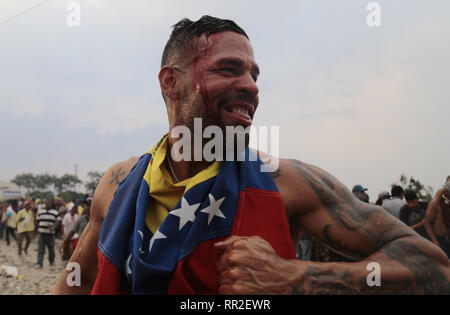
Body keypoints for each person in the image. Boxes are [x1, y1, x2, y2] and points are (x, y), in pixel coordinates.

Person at [53, 16, 450, 295]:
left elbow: (434, 267)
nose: (251, 86)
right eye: (229, 69)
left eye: (254, 75)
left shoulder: (287, 183)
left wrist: (292, 277)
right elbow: (81, 280)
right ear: (171, 82)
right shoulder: (118, 184)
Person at [424, 182, 450, 258]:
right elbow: (427, 223)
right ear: (446, 192)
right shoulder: (435, 203)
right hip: (440, 240)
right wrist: (435, 241)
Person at [36, 200, 59, 268]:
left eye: (49, 204)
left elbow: (58, 221)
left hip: (50, 234)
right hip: (41, 233)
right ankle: (39, 263)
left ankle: (51, 262)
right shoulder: (40, 212)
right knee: (41, 249)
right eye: (46, 204)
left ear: (51, 205)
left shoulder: (55, 212)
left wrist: (54, 226)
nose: (47, 205)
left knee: (51, 249)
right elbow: (37, 221)